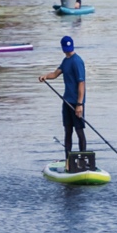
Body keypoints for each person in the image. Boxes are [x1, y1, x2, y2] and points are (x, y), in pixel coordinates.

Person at [40, 35, 87, 166]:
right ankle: (68, 160)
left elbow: (81, 83)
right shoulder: (66, 61)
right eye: (66, 48)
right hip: (66, 101)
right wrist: (45, 76)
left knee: (79, 131)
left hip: (76, 102)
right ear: (62, 48)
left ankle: (83, 160)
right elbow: (55, 74)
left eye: (69, 48)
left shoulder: (77, 61)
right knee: (68, 131)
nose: (67, 50)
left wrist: (79, 104)